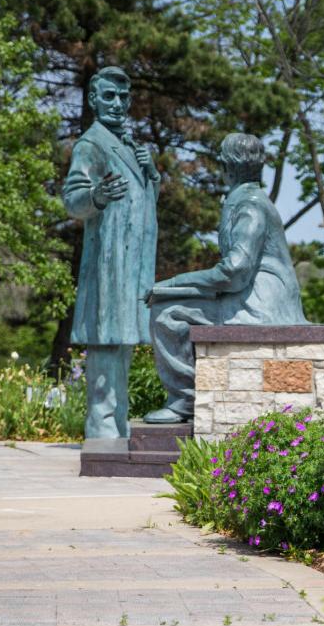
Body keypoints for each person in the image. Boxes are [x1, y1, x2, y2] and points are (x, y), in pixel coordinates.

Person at [143, 133, 307, 424]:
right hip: (251, 297)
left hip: (259, 306)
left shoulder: (250, 205)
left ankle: (186, 400)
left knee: (165, 312)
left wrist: (171, 284)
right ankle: (188, 397)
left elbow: (234, 273)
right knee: (172, 304)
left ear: (227, 168)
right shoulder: (248, 199)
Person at [61, 66, 160, 439]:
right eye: (109, 97)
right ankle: (101, 429)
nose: (117, 105)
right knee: (106, 341)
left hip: (132, 265)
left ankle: (117, 425)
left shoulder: (130, 146)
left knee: (122, 344)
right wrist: (96, 197)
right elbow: (73, 199)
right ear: (93, 100)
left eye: (123, 97)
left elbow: (141, 203)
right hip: (109, 264)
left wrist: (152, 176)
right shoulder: (91, 144)